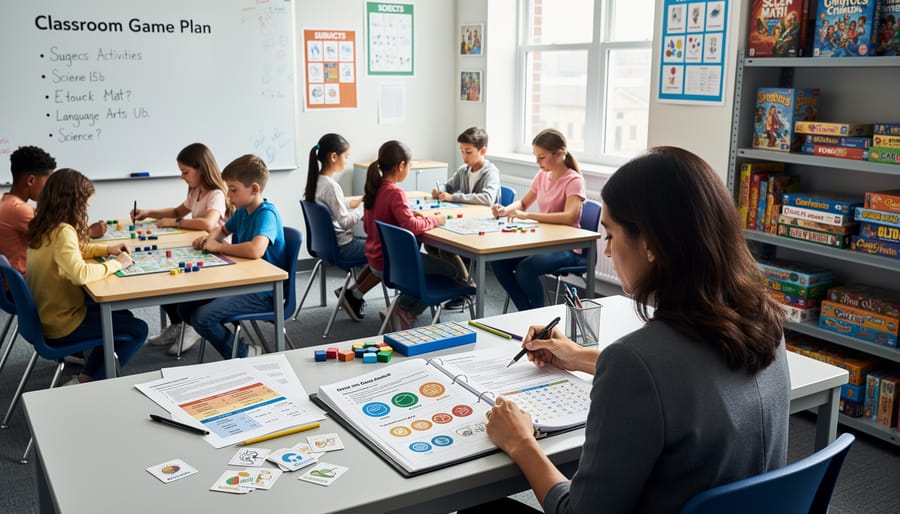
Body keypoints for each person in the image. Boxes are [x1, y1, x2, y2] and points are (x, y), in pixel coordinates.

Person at [469, 147, 790, 514]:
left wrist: (521, 442)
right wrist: (577, 356)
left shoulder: (636, 360)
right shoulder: (767, 321)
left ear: (650, 245)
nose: (606, 250)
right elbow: (684, 377)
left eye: (609, 234)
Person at [24, 169, 148, 384]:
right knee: (139, 329)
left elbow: (75, 251)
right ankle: (89, 383)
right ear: (73, 203)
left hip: (48, 315)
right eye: (85, 206)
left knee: (123, 316)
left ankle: (85, 375)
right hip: (62, 324)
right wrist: (116, 263)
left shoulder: (45, 225)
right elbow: (80, 275)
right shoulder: (63, 231)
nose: (85, 211)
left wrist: (107, 249)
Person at [177, 154, 285, 360]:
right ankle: (235, 343)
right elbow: (222, 230)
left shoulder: (266, 214)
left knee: (202, 318)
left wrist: (218, 247)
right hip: (241, 281)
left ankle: (245, 353)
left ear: (254, 189)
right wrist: (208, 239)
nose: (229, 195)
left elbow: (255, 250)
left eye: (233, 189)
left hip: (263, 292)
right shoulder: (242, 211)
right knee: (185, 307)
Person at [132, 143, 232, 355]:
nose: (182, 177)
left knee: (177, 281)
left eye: (185, 172)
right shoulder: (196, 190)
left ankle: (191, 326)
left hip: (218, 255)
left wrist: (174, 222)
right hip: (200, 249)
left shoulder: (216, 193)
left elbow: (207, 223)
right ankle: (178, 324)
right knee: (162, 276)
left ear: (202, 169)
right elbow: (178, 210)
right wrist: (149, 212)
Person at [363, 140, 464, 331]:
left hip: (375, 259)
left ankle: (399, 307)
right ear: (401, 166)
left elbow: (381, 221)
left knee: (426, 268)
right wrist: (436, 220)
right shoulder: (395, 192)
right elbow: (412, 226)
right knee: (452, 271)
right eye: (409, 165)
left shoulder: (375, 188)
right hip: (394, 265)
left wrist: (409, 214)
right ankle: (405, 310)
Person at [490, 129, 585, 311]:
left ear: (559, 154)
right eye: (536, 156)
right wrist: (504, 210)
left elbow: (569, 216)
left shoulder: (574, 180)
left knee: (526, 270)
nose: (537, 162)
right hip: (543, 241)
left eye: (541, 157)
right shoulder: (542, 175)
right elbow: (524, 203)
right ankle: (526, 311)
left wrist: (527, 216)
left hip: (568, 246)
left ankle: (537, 313)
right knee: (499, 263)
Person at [305, 133, 380, 321]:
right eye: (346, 156)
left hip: (326, 246)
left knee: (377, 248)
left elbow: (334, 212)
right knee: (385, 252)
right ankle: (355, 294)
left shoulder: (316, 182)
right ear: (333, 156)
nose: (347, 160)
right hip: (343, 247)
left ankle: (352, 293)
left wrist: (352, 205)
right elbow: (345, 222)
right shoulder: (331, 186)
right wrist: (364, 207)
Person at [1, 146, 105, 276]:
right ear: (31, 180)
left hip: (18, 286)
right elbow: (61, 239)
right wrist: (90, 232)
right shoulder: (19, 210)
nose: (50, 189)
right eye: (48, 182)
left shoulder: (7, 203)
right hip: (29, 284)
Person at [429, 126, 501, 310]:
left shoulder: (490, 173)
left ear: (482, 150)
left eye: (468, 152)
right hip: (467, 222)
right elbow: (449, 186)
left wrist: (453, 197)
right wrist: (441, 190)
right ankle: (456, 283)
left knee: (445, 248)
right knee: (431, 242)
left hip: (485, 226)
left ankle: (468, 288)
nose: (464, 156)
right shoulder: (464, 170)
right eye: (461, 151)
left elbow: (486, 200)